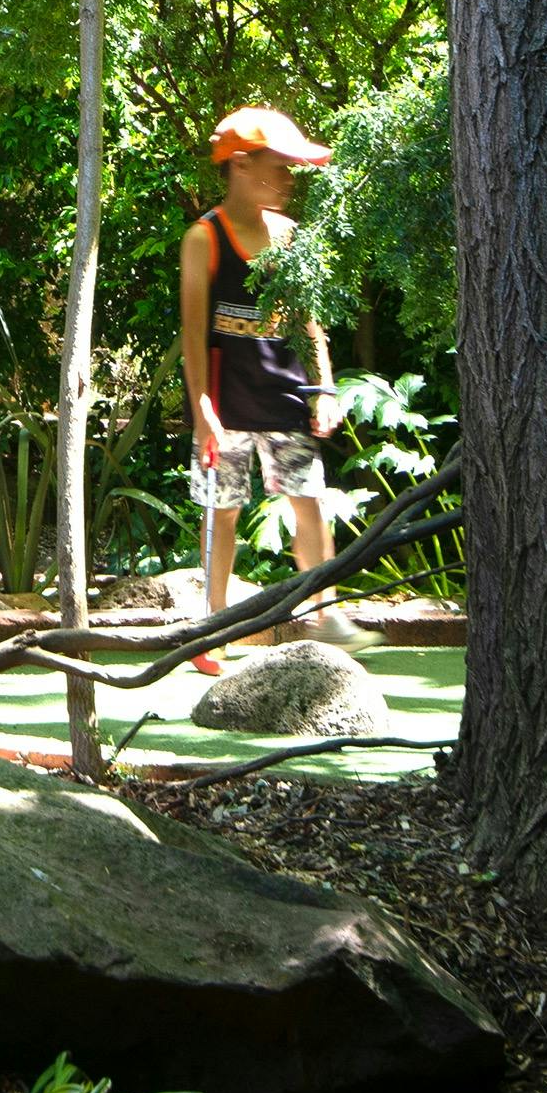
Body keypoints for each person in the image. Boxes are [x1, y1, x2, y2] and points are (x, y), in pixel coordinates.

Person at [180, 104, 344, 675]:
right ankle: (212, 629)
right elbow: (193, 333)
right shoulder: (205, 237)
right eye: (280, 166)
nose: (289, 179)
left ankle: (324, 616)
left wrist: (323, 387)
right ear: (243, 166)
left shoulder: (291, 236)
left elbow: (309, 320)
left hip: (285, 397)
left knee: (309, 501)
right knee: (221, 513)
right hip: (225, 403)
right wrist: (202, 410)